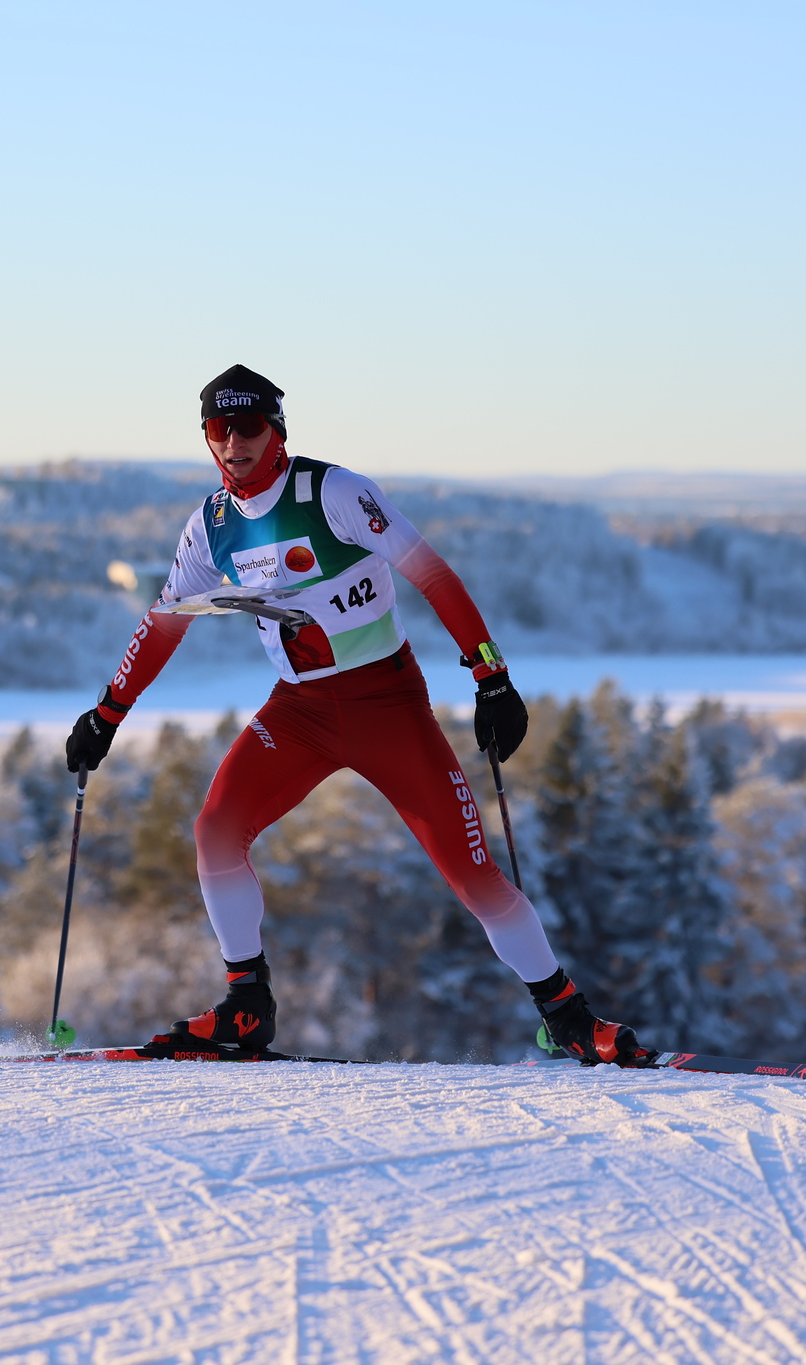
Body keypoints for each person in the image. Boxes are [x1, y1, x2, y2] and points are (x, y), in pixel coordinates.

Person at [63, 364, 646, 1065]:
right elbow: (164, 623)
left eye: (248, 426)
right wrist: (107, 713)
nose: (233, 443)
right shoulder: (211, 526)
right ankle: (247, 1003)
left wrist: (491, 676)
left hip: (386, 704)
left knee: (473, 874)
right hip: (299, 711)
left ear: (277, 430)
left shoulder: (334, 493)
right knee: (215, 831)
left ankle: (568, 1016)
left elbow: (434, 575)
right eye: (218, 429)